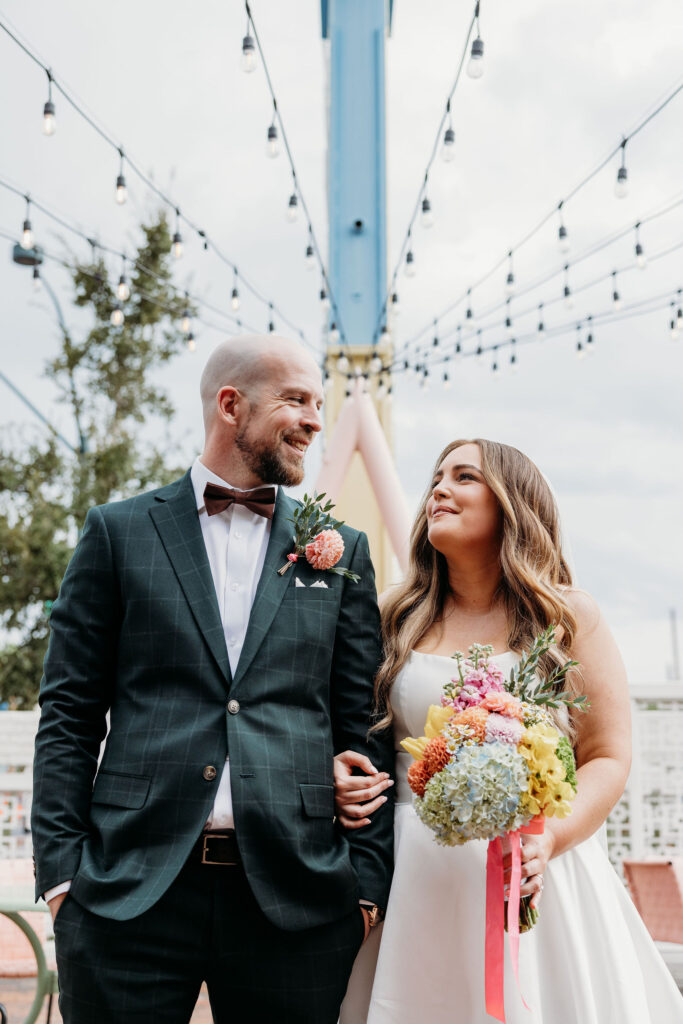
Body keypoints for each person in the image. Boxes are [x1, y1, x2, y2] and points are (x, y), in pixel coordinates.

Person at [31, 334, 394, 1024]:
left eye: (319, 404)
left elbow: (365, 724)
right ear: (231, 405)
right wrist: (61, 879)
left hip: (296, 899)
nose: (314, 421)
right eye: (296, 400)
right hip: (126, 892)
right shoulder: (116, 532)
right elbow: (69, 715)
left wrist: (364, 890)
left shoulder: (341, 551)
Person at [335, 438, 683, 1023]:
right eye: (436, 478)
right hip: (412, 877)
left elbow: (607, 755)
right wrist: (342, 780)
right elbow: (350, 729)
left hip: (534, 871)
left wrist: (550, 840)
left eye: (464, 477)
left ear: (511, 503)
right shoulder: (394, 616)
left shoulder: (566, 615)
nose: (439, 489)